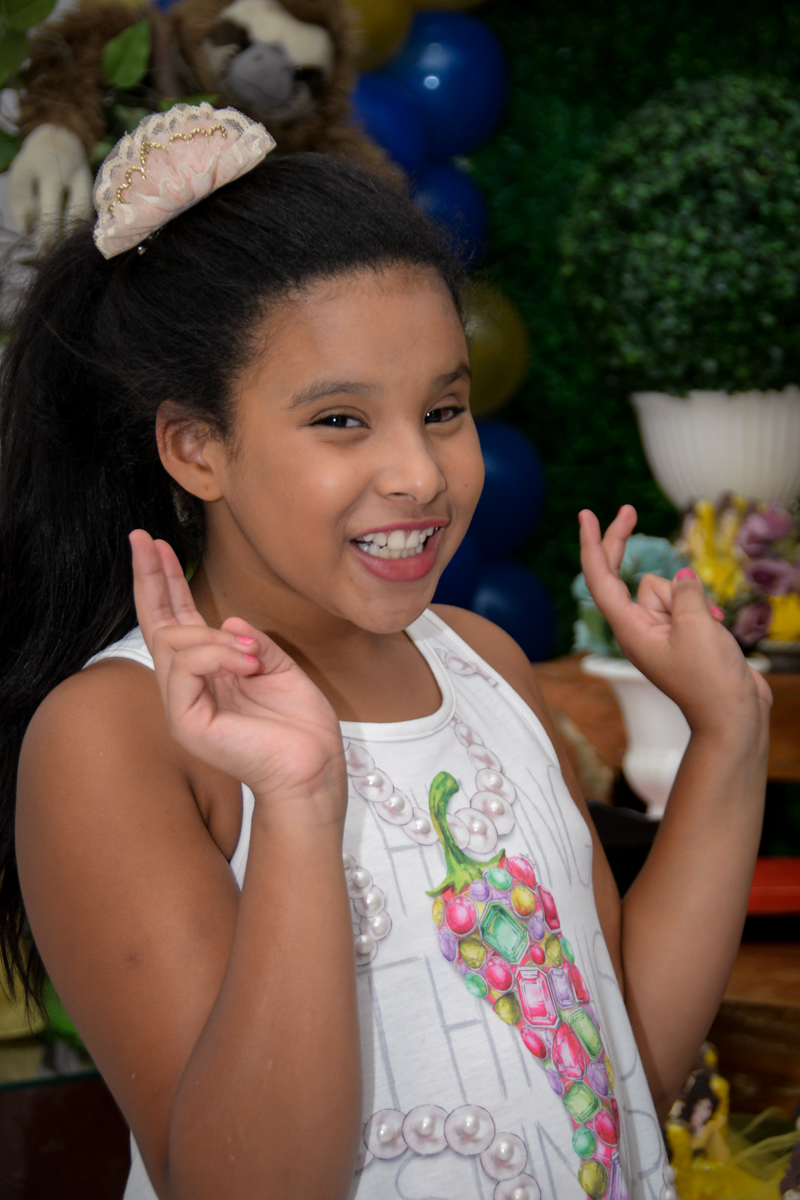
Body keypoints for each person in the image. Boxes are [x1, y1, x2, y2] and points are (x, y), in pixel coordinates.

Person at [0, 104, 771, 1200]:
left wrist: (727, 735)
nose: (418, 473)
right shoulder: (111, 735)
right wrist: (304, 806)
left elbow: (613, 1066)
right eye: (340, 421)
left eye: (443, 409)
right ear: (195, 447)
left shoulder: (484, 663)